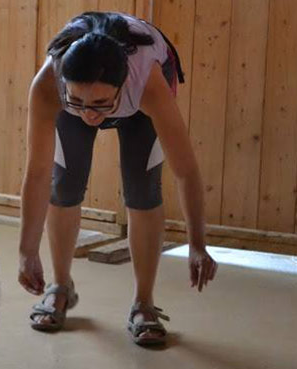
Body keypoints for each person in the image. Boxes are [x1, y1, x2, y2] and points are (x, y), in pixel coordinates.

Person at [18, 11, 217, 345]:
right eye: (79, 102)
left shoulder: (147, 82)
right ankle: (60, 286)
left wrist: (198, 244)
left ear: (122, 85)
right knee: (64, 184)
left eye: (99, 104)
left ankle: (144, 303)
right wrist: (26, 252)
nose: (89, 114)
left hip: (139, 104)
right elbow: (37, 174)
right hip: (87, 90)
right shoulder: (49, 85)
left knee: (143, 190)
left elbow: (186, 170)